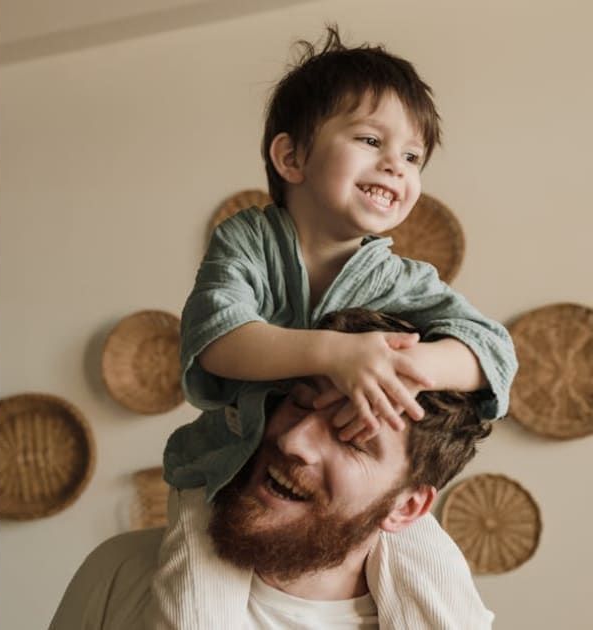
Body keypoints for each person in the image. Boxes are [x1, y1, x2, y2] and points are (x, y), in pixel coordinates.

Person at [155, 26, 517, 628]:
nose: (394, 166)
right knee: (193, 599)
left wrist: (414, 365)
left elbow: (493, 351)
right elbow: (218, 339)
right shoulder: (247, 240)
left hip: (356, 501)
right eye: (371, 140)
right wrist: (338, 354)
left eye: (412, 157)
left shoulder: (401, 277)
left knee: (447, 592)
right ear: (291, 157)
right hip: (227, 472)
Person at [51, 309, 495, 629]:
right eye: (299, 402)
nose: (292, 439)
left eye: (352, 438)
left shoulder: (443, 611)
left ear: (407, 507)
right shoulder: (119, 571)